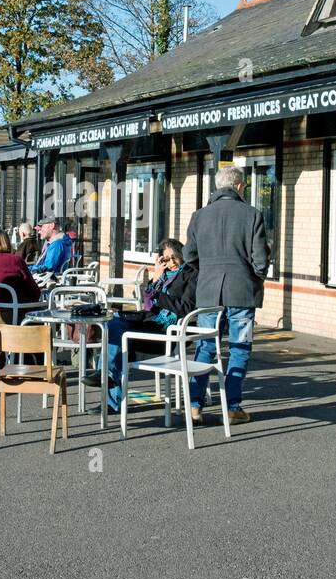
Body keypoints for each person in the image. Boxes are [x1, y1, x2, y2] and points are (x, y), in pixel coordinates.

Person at [183, 165, 269, 426]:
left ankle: (195, 406)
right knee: (239, 348)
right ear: (240, 186)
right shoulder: (253, 214)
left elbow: (188, 256)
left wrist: (208, 272)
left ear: (218, 187)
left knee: (206, 347)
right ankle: (231, 407)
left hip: (208, 293)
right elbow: (261, 261)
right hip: (242, 292)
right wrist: (255, 275)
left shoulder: (199, 216)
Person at [102, 239, 197, 414]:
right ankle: (108, 381)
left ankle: (108, 385)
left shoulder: (191, 274)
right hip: (150, 323)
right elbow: (147, 305)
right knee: (112, 324)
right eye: (166, 259)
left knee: (117, 334)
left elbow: (186, 307)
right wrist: (155, 277)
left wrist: (158, 295)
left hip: (167, 331)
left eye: (175, 257)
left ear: (182, 255)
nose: (172, 262)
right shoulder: (162, 275)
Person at [0, 229, 41, 365]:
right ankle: (36, 362)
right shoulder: (15, 260)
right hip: (15, 315)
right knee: (42, 320)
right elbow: (35, 293)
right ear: (7, 242)